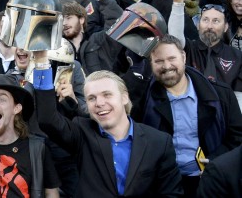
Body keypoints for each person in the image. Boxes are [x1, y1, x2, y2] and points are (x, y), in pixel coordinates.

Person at [33, 67, 184, 197]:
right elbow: (47, 119)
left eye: (107, 94)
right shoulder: (82, 133)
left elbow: (171, 193)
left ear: (124, 97)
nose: (99, 103)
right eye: (91, 98)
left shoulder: (158, 142)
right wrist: (41, 62)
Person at [128, 34, 242, 196]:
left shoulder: (220, 94)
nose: (166, 66)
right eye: (159, 61)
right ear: (151, 64)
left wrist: (216, 161)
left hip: (210, 179)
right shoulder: (143, 97)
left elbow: (237, 136)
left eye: (172, 58)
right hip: (163, 182)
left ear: (183, 57)